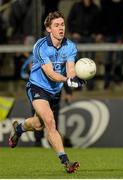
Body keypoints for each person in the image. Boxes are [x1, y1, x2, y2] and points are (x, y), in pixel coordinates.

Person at [9, 11, 84, 173]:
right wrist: (67, 80)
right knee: (50, 122)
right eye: (56, 25)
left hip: (54, 92)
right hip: (37, 87)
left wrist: (76, 77)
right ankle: (66, 162)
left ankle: (19, 128)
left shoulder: (70, 46)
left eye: (62, 24)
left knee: (38, 125)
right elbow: (50, 73)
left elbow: (70, 69)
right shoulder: (40, 46)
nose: (61, 28)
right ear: (48, 29)